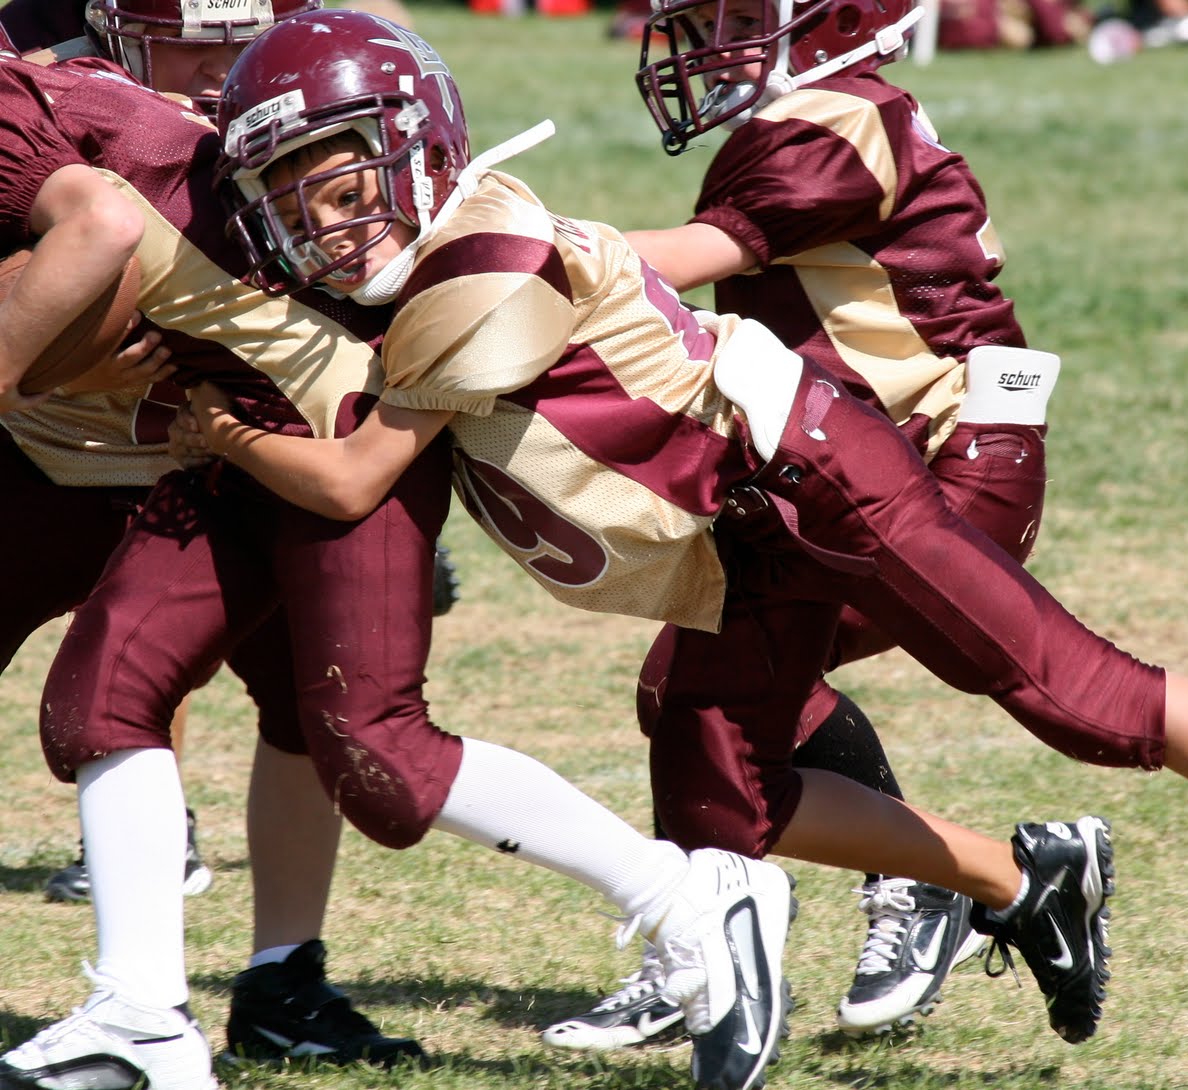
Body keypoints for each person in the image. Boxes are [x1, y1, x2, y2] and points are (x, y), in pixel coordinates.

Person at [197, 6, 1188, 1053]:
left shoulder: (551, 233)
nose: (329, 217)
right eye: (299, 193)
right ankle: (1016, 880)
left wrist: (216, 419)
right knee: (720, 788)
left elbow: (358, 470)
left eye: (347, 178)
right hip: (753, 527)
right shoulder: (470, 242)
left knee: (1083, 695)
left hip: (837, 477)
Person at [0, 53, 793, 1090]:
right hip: (241, 412)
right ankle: (141, 1017)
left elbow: (101, 229)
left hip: (334, 410)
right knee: (102, 696)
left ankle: (686, 897)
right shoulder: (54, 83)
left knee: (379, 750)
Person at [595, 0, 1061, 1043]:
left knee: (698, 694)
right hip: (882, 460)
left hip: (942, 464)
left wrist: (511, 254)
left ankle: (914, 887)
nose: (701, 35)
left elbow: (686, 257)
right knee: (709, 694)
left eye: (732, 12)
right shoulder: (822, 109)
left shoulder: (835, 117)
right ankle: (742, 941)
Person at [0, 0, 436, 1066]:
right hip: (47, 456)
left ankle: (282, 978)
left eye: (235, 31)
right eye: (183, 34)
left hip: (215, 459)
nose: (214, 61)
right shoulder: (59, 96)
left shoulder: (284, 99)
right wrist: (58, 357)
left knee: (309, 703)